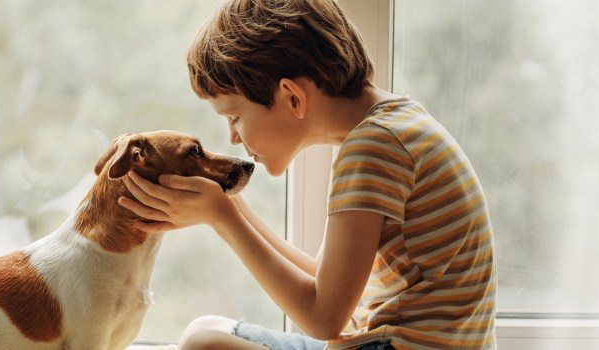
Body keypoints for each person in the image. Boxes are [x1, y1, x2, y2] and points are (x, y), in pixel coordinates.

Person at [118, 0, 497, 349]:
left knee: (203, 344)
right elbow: (327, 281)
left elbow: (324, 318)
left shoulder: (373, 149)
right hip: (391, 341)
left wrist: (224, 219)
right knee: (203, 330)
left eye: (235, 117)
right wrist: (235, 208)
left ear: (292, 98)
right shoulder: (394, 125)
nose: (233, 136)